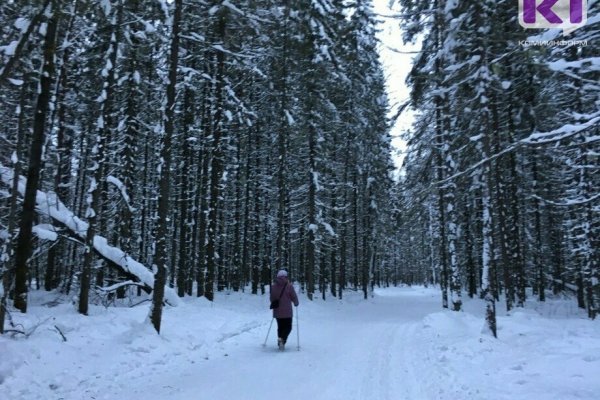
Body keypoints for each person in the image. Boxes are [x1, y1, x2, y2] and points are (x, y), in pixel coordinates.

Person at [270, 269, 299, 350]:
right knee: (288, 327)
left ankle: (280, 340)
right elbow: (293, 296)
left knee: (280, 327)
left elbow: (271, 298)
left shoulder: (273, 286)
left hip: (277, 311)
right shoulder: (289, 286)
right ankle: (282, 339)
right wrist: (296, 303)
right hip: (287, 311)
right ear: (286, 277)